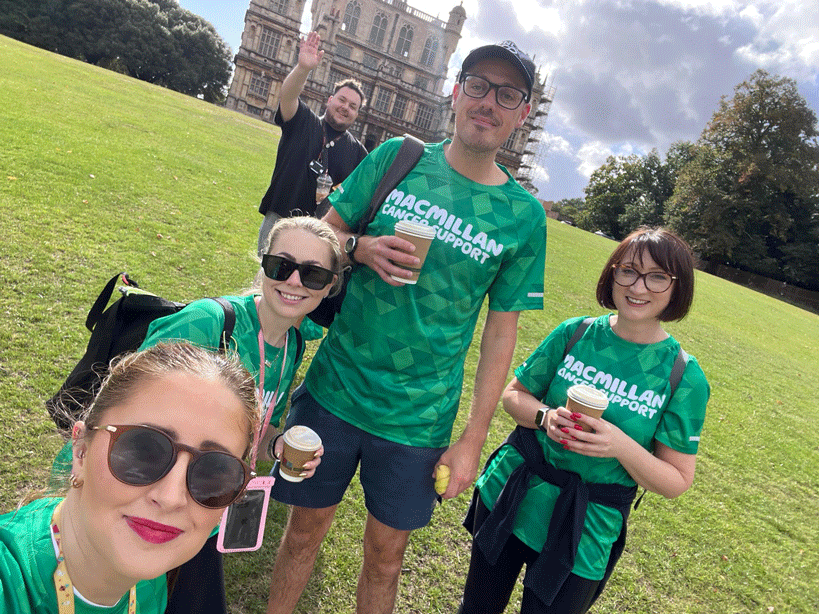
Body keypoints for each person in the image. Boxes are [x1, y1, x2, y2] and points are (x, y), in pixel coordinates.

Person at [265, 41, 547, 614]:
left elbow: (501, 334)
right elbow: (319, 239)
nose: (489, 102)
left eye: (508, 94)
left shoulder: (524, 217)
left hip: (418, 420)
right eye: (478, 85)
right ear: (455, 91)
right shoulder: (398, 157)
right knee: (301, 535)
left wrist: (472, 439)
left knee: (386, 556)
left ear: (522, 115)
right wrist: (360, 247)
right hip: (334, 393)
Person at [458, 227, 711, 614]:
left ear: (678, 288)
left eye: (657, 276)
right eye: (627, 270)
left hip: (585, 527)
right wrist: (545, 417)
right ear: (612, 274)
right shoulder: (575, 332)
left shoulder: (683, 375)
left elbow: (676, 480)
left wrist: (619, 445)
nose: (638, 286)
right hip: (513, 496)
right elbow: (513, 396)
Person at [139, 216, 340, 614]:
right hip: (151, 500)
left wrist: (278, 445)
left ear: (330, 287)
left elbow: (257, 434)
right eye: (282, 266)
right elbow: (123, 410)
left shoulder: (293, 345)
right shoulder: (210, 322)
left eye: (314, 274)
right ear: (263, 264)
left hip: (206, 505)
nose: (295, 282)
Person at [0, 342, 259, 613]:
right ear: (80, 452)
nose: (171, 497)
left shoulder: (152, 568)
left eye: (214, 471)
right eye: (142, 450)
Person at [257, 30, 368, 255]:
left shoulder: (359, 154)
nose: (345, 107)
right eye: (342, 100)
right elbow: (287, 96)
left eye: (353, 106)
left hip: (321, 234)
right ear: (330, 100)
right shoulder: (303, 121)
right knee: (268, 282)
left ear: (357, 115)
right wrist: (303, 68)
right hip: (279, 221)